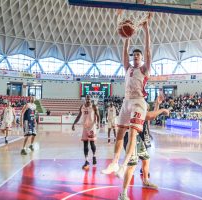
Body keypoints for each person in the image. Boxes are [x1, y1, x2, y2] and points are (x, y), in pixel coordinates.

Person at [102, 14, 152, 200]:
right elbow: (124, 54)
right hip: (126, 102)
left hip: (139, 101)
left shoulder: (144, 69)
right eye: (134, 55)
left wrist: (146, 30)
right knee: (119, 134)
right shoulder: (128, 68)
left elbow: (148, 51)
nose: (136, 57)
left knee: (132, 133)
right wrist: (125, 40)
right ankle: (115, 162)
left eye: (138, 56)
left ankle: (124, 165)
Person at [123, 96, 169, 190]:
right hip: (131, 138)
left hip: (138, 138)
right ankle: (123, 193)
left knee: (146, 159)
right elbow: (150, 115)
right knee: (132, 165)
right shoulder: (137, 110)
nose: (147, 107)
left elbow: (152, 116)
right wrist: (162, 110)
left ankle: (146, 181)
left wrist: (157, 104)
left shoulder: (142, 110)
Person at [72, 95, 100, 170]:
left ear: (91, 99)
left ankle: (94, 156)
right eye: (87, 99)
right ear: (85, 99)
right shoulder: (82, 106)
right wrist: (74, 123)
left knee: (92, 143)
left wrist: (98, 123)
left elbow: (98, 115)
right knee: (85, 144)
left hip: (91, 127)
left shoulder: (93, 106)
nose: (88, 100)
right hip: (85, 127)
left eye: (89, 99)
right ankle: (86, 160)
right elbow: (78, 116)